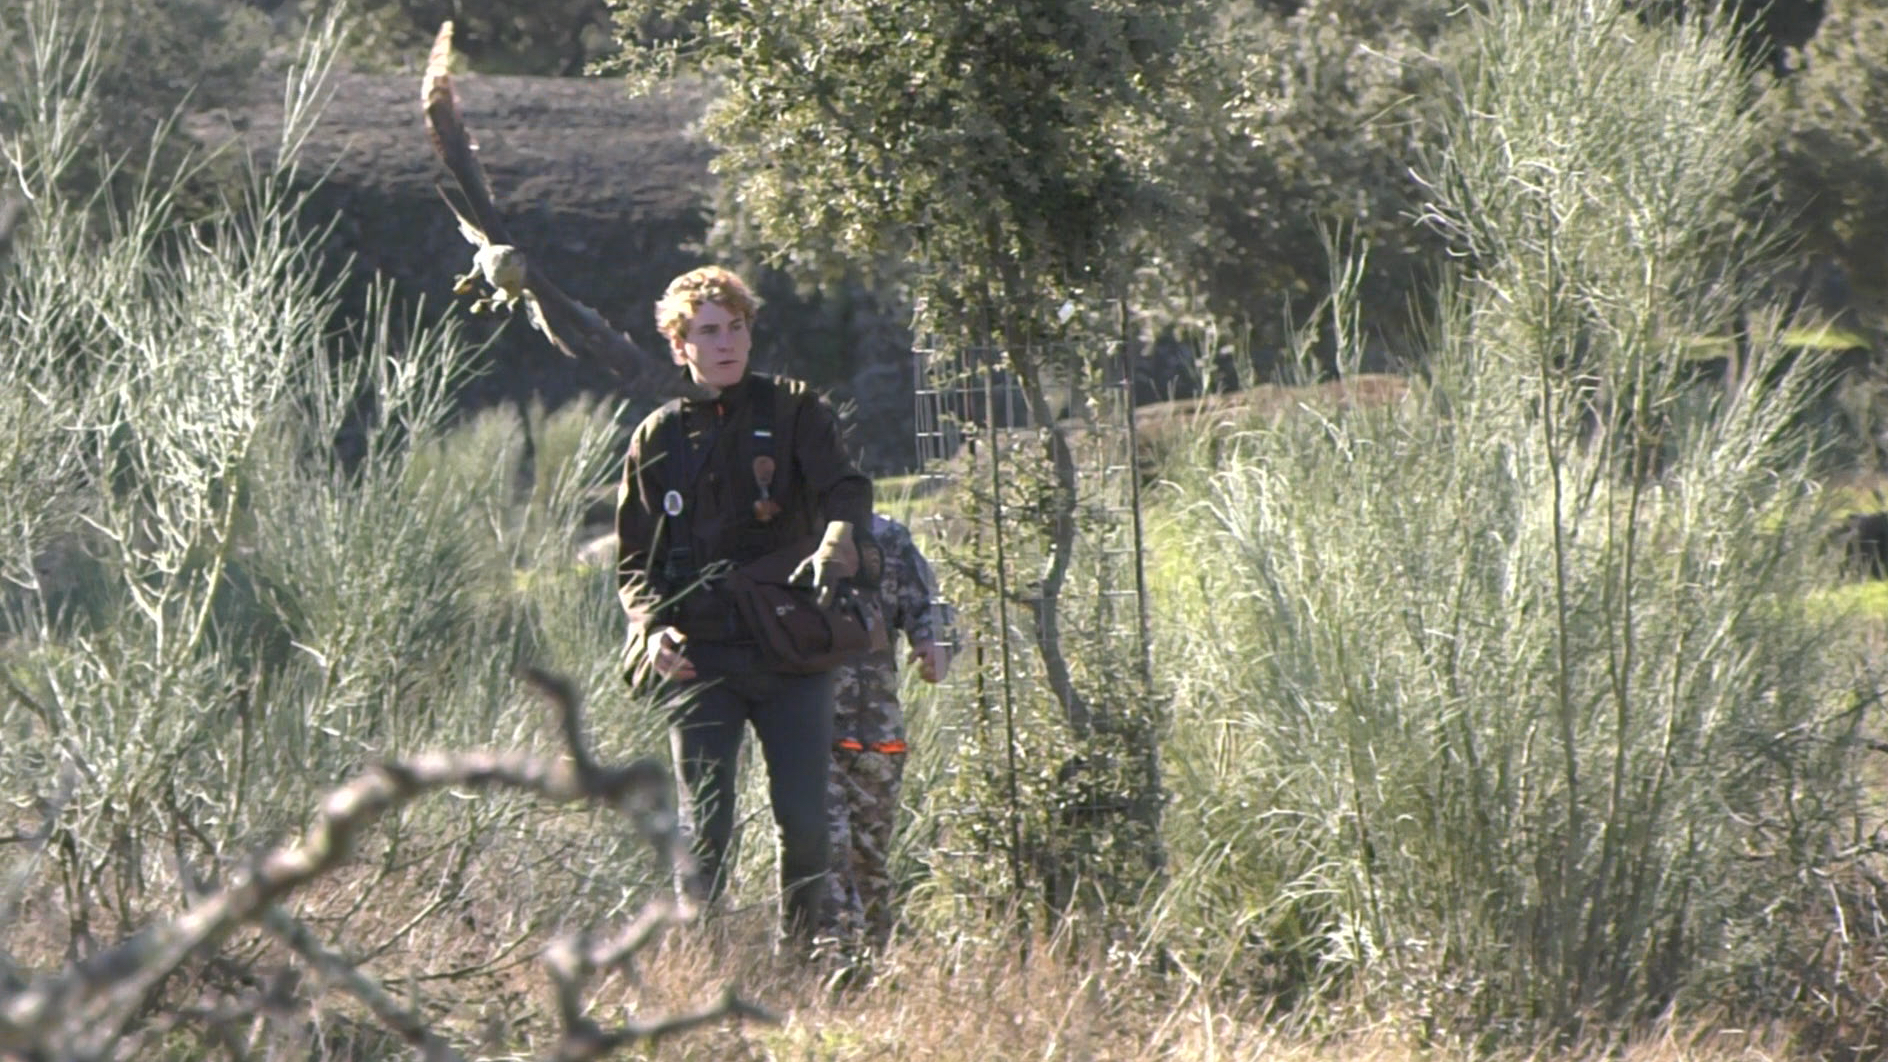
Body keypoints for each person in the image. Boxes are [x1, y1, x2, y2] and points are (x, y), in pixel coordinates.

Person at [613, 266, 873, 949]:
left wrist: (835, 542)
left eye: (736, 328)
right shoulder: (658, 437)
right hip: (702, 659)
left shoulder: (795, 413)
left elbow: (848, 491)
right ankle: (702, 964)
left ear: (751, 335)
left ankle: (802, 957)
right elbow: (634, 562)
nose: (725, 343)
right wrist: (652, 628)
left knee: (806, 824)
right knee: (707, 828)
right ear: (680, 346)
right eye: (707, 331)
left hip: (790, 650)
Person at [824, 513, 955, 951]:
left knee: (870, 856)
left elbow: (929, 607)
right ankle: (834, 961)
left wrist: (934, 642)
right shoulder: (785, 536)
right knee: (827, 848)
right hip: (807, 731)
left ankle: (877, 961)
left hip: (876, 730)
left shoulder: (885, 537)